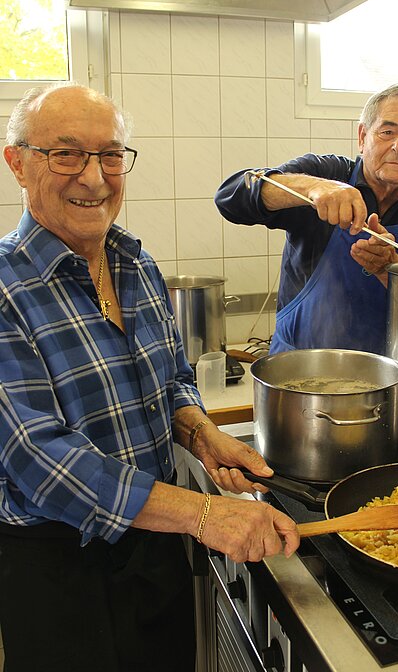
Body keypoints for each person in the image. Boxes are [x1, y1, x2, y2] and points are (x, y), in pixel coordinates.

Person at [0, 83, 300, 672]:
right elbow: (39, 457)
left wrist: (197, 430)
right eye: (67, 155)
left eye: (110, 155)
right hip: (63, 571)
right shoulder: (6, 287)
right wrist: (206, 515)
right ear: (18, 163)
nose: (94, 178)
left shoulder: (134, 261)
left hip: (156, 547)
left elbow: (171, 380)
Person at [215, 82, 398, 356]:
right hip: (298, 369)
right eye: (387, 132)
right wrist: (312, 188)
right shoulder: (324, 173)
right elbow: (229, 197)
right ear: (362, 136)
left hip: (390, 373)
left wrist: (391, 269)